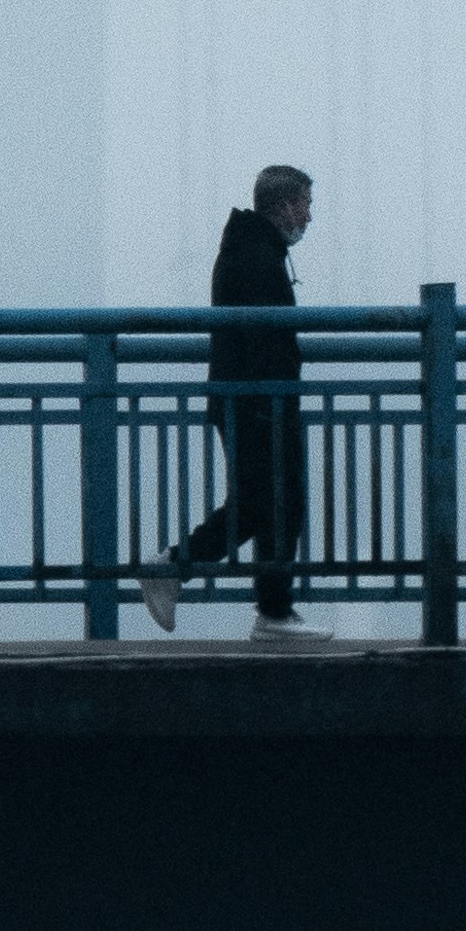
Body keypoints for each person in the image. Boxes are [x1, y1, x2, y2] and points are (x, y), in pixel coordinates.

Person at [139, 164, 317, 636]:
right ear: (281, 205)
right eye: (304, 204)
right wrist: (272, 402)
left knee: (272, 502)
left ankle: (272, 610)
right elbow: (263, 340)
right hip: (258, 404)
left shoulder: (252, 248)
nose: (308, 216)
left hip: (253, 401)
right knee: (267, 503)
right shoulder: (258, 257)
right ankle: (176, 567)